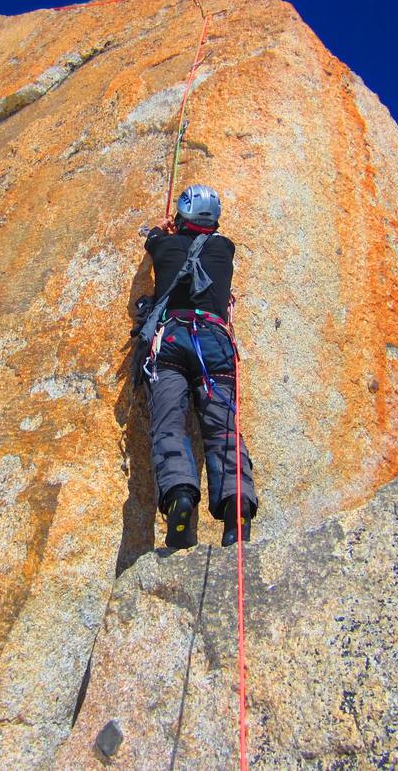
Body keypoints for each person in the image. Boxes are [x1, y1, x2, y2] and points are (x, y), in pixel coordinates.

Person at [136, 184, 257, 549]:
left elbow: (155, 240)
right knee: (223, 430)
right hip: (216, 344)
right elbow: (210, 239)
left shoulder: (163, 245)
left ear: (181, 216)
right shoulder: (224, 249)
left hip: (172, 340)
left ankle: (180, 496)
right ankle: (236, 505)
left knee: (169, 425)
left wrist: (163, 231)